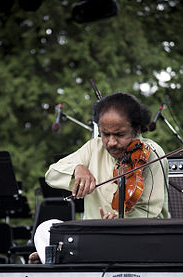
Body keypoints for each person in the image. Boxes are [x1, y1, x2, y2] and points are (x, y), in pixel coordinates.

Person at [29, 92, 169, 264]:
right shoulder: (93, 147)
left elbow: (150, 213)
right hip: (93, 239)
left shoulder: (151, 154)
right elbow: (52, 174)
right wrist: (77, 169)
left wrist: (118, 222)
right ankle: (58, 256)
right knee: (45, 228)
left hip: (139, 239)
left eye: (119, 135)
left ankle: (59, 259)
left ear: (137, 129)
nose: (111, 142)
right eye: (105, 134)